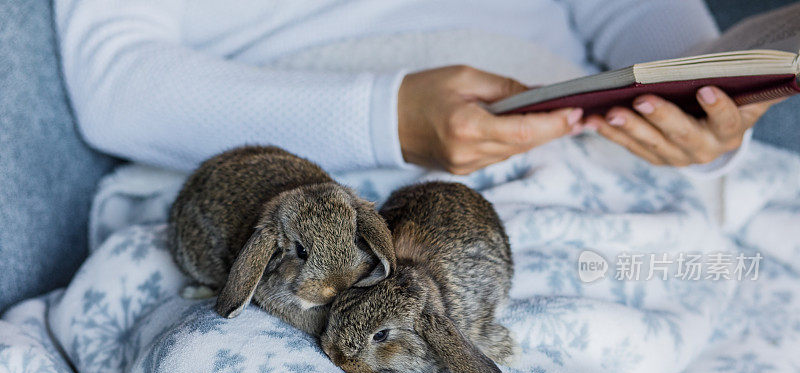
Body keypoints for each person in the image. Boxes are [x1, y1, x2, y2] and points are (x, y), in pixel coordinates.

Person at [55, 0, 779, 179]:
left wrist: (703, 108)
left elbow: (632, 16)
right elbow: (116, 79)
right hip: (311, 172)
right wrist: (384, 120)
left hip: (585, 159)